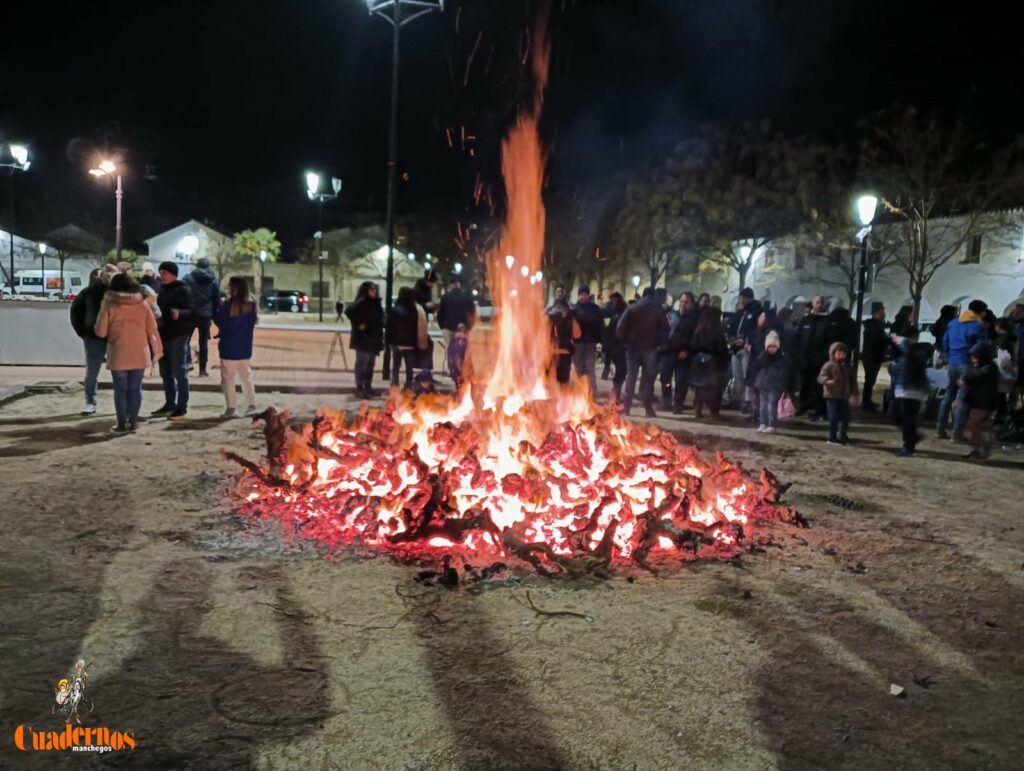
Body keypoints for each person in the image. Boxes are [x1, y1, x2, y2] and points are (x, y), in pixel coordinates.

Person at [94, 273, 163, 433]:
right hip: (140, 351)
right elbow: (152, 328)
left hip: (118, 351)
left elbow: (101, 332)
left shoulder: (109, 305)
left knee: (120, 389)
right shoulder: (143, 304)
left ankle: (120, 423)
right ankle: (133, 422)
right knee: (135, 388)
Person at [937, 299, 988, 441]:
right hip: (967, 365)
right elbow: (982, 348)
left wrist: (950, 355)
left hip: (952, 363)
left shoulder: (953, 323)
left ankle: (940, 427)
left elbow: (945, 342)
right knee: (963, 399)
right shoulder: (978, 326)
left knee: (948, 395)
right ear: (981, 312)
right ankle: (957, 432)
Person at [615, 287, 669, 417]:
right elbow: (666, 329)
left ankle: (626, 407)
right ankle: (647, 408)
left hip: (632, 347)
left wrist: (625, 342)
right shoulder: (658, 310)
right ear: (653, 295)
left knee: (631, 377)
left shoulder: (632, 308)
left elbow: (620, 328)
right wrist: (659, 343)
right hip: (650, 348)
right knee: (647, 379)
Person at [152, 262, 195, 420]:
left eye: (164, 273)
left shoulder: (183, 289)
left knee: (179, 372)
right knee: (165, 373)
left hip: (178, 335)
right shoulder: (161, 289)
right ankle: (169, 403)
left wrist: (180, 313)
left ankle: (181, 407)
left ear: (173, 274)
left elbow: (192, 312)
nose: (161, 276)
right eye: (160, 272)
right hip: (163, 335)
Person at [213, 277, 259, 417]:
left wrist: (218, 310)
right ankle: (251, 405)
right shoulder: (251, 304)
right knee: (246, 376)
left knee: (228, 378)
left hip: (229, 346)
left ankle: (231, 408)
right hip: (245, 346)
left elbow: (221, 321)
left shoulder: (228, 305)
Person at [69, 267, 110, 415]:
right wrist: (83, 331)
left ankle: (123, 403)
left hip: (115, 338)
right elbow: (75, 311)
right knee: (92, 371)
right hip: (93, 337)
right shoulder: (89, 292)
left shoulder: (118, 292)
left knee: (121, 373)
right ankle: (90, 402)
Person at [890, 327, 931, 456]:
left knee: (908, 418)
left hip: (914, 389)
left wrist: (901, 341)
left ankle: (909, 445)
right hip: (901, 387)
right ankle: (913, 437)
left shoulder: (922, 349)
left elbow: (909, 352)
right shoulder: (904, 351)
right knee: (894, 415)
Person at [959, 341, 1000, 460]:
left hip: (983, 401)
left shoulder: (989, 368)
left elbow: (977, 377)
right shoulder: (981, 366)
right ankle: (976, 448)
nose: (973, 359)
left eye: (975, 356)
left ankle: (983, 445)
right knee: (973, 425)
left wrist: (966, 379)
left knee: (972, 424)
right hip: (975, 399)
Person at [688, 306, 730, 419]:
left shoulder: (699, 329)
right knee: (715, 389)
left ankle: (698, 409)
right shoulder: (717, 330)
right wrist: (726, 357)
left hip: (699, 361)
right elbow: (721, 349)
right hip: (714, 362)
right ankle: (714, 411)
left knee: (700, 388)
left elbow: (692, 345)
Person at [345, 281, 385, 399]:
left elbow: (379, 317)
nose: (374, 292)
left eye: (375, 289)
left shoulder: (376, 303)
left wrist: (383, 321)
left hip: (373, 337)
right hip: (363, 338)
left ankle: (367, 386)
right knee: (363, 362)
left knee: (370, 364)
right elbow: (349, 311)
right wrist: (359, 324)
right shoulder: (362, 302)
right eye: (372, 289)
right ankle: (360, 387)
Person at [661, 291, 699, 413]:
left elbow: (695, 337)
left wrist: (687, 350)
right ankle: (667, 401)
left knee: (681, 381)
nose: (683, 304)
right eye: (681, 301)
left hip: (683, 354)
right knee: (665, 377)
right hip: (669, 351)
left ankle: (678, 404)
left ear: (692, 304)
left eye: (686, 302)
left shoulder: (694, 319)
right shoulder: (673, 315)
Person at [728, 288, 763, 413]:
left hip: (747, 349)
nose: (740, 300)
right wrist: (732, 339)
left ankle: (750, 402)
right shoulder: (740, 313)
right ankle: (741, 401)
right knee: (738, 377)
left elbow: (757, 330)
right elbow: (731, 327)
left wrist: (747, 340)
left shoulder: (757, 312)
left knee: (747, 376)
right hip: (735, 349)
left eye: (742, 297)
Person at [183, 258, 219, 377]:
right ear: (208, 266)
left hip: (190, 314)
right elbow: (216, 300)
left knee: (185, 339)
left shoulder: (188, 279)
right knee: (203, 342)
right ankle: (202, 370)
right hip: (205, 315)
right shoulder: (212, 281)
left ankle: (187, 362)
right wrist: (213, 315)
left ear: (197, 266)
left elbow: (181, 294)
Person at [795, 294, 830, 418]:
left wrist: (823, 358)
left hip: (818, 361)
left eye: (821, 302)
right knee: (803, 385)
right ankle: (803, 406)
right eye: (817, 302)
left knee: (817, 387)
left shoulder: (827, 322)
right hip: (804, 360)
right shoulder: (805, 321)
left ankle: (818, 410)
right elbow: (797, 339)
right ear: (813, 303)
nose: (819, 305)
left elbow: (828, 341)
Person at [385, 286, 425, 389]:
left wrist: (388, 341)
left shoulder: (396, 310)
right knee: (409, 367)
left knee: (396, 367)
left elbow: (390, 327)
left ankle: (395, 386)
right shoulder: (414, 310)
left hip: (398, 342)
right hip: (410, 343)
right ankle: (408, 386)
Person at [753, 329, 790, 433]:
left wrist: (782, 384)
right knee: (762, 406)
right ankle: (763, 423)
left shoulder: (781, 358)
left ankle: (772, 424)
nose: (772, 349)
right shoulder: (763, 356)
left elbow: (784, 372)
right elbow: (756, 366)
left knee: (771, 406)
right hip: (763, 384)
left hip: (775, 386)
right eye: (769, 346)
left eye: (774, 346)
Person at [818, 341, 853, 445]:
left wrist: (854, 393)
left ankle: (843, 434)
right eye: (838, 354)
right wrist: (828, 382)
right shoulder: (828, 365)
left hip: (843, 396)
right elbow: (820, 378)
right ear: (833, 353)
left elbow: (852, 380)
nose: (841, 356)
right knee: (834, 418)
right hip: (832, 396)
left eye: (843, 354)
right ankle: (832, 437)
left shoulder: (846, 366)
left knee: (846, 416)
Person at [571, 285, 604, 391]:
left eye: (586, 294)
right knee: (578, 368)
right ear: (579, 295)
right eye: (582, 295)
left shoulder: (595, 309)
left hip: (591, 343)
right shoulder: (574, 309)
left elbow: (600, 325)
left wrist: (599, 339)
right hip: (578, 343)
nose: (584, 297)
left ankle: (592, 392)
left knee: (590, 368)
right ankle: (577, 392)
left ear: (588, 295)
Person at [861, 302, 888, 411]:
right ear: (877, 312)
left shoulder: (874, 325)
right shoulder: (874, 326)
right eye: (882, 311)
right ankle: (866, 403)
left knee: (870, 381)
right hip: (872, 356)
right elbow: (877, 341)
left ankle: (867, 401)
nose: (884, 314)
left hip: (872, 356)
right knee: (870, 380)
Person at [602, 293, 628, 402]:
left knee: (622, 370)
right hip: (617, 347)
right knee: (621, 370)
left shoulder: (619, 314)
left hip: (619, 347)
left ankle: (616, 392)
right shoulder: (615, 314)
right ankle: (616, 393)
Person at [547, 297, 579, 385]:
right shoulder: (569, 319)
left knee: (553, 380)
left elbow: (577, 334)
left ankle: (558, 396)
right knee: (561, 381)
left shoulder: (549, 319)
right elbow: (577, 335)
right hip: (559, 353)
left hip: (556, 353)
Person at [437, 276, 477, 346]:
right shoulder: (467, 297)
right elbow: (473, 313)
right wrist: (469, 326)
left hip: (448, 328)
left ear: (451, 285)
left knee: (449, 351)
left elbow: (440, 313)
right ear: (459, 284)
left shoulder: (445, 297)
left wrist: (442, 326)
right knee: (463, 351)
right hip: (463, 329)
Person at [447, 323, 471, 391]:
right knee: (459, 381)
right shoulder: (454, 342)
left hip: (461, 367)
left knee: (461, 382)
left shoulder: (464, 342)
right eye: (460, 331)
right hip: (457, 366)